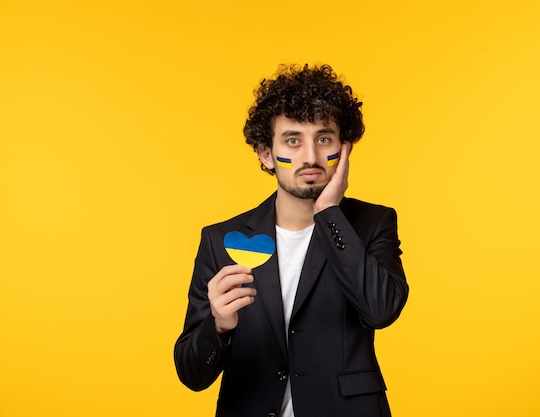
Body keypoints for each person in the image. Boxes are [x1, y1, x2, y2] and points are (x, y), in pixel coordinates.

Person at [174, 64, 408, 417]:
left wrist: (329, 211)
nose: (310, 157)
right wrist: (218, 327)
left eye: (324, 139)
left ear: (344, 150)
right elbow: (192, 373)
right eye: (293, 140)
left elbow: (381, 311)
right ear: (266, 154)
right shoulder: (220, 240)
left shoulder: (373, 223)